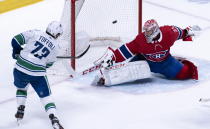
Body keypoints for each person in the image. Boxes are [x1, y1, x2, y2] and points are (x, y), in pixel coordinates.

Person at [94, 19, 201, 86]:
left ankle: (179, 61)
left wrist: (188, 32)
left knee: (185, 74)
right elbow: (126, 50)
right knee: (126, 71)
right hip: (146, 61)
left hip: (166, 62)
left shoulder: (169, 33)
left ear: (155, 31)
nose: (146, 33)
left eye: (148, 31)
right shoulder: (141, 39)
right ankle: (104, 78)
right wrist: (113, 58)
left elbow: (181, 33)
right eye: (145, 31)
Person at [12, 21, 64, 129]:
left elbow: (15, 40)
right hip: (37, 74)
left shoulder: (35, 33)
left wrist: (17, 52)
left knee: (21, 88)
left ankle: (20, 108)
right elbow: (48, 65)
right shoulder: (56, 47)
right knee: (46, 97)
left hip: (20, 69)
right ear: (57, 34)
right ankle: (54, 118)